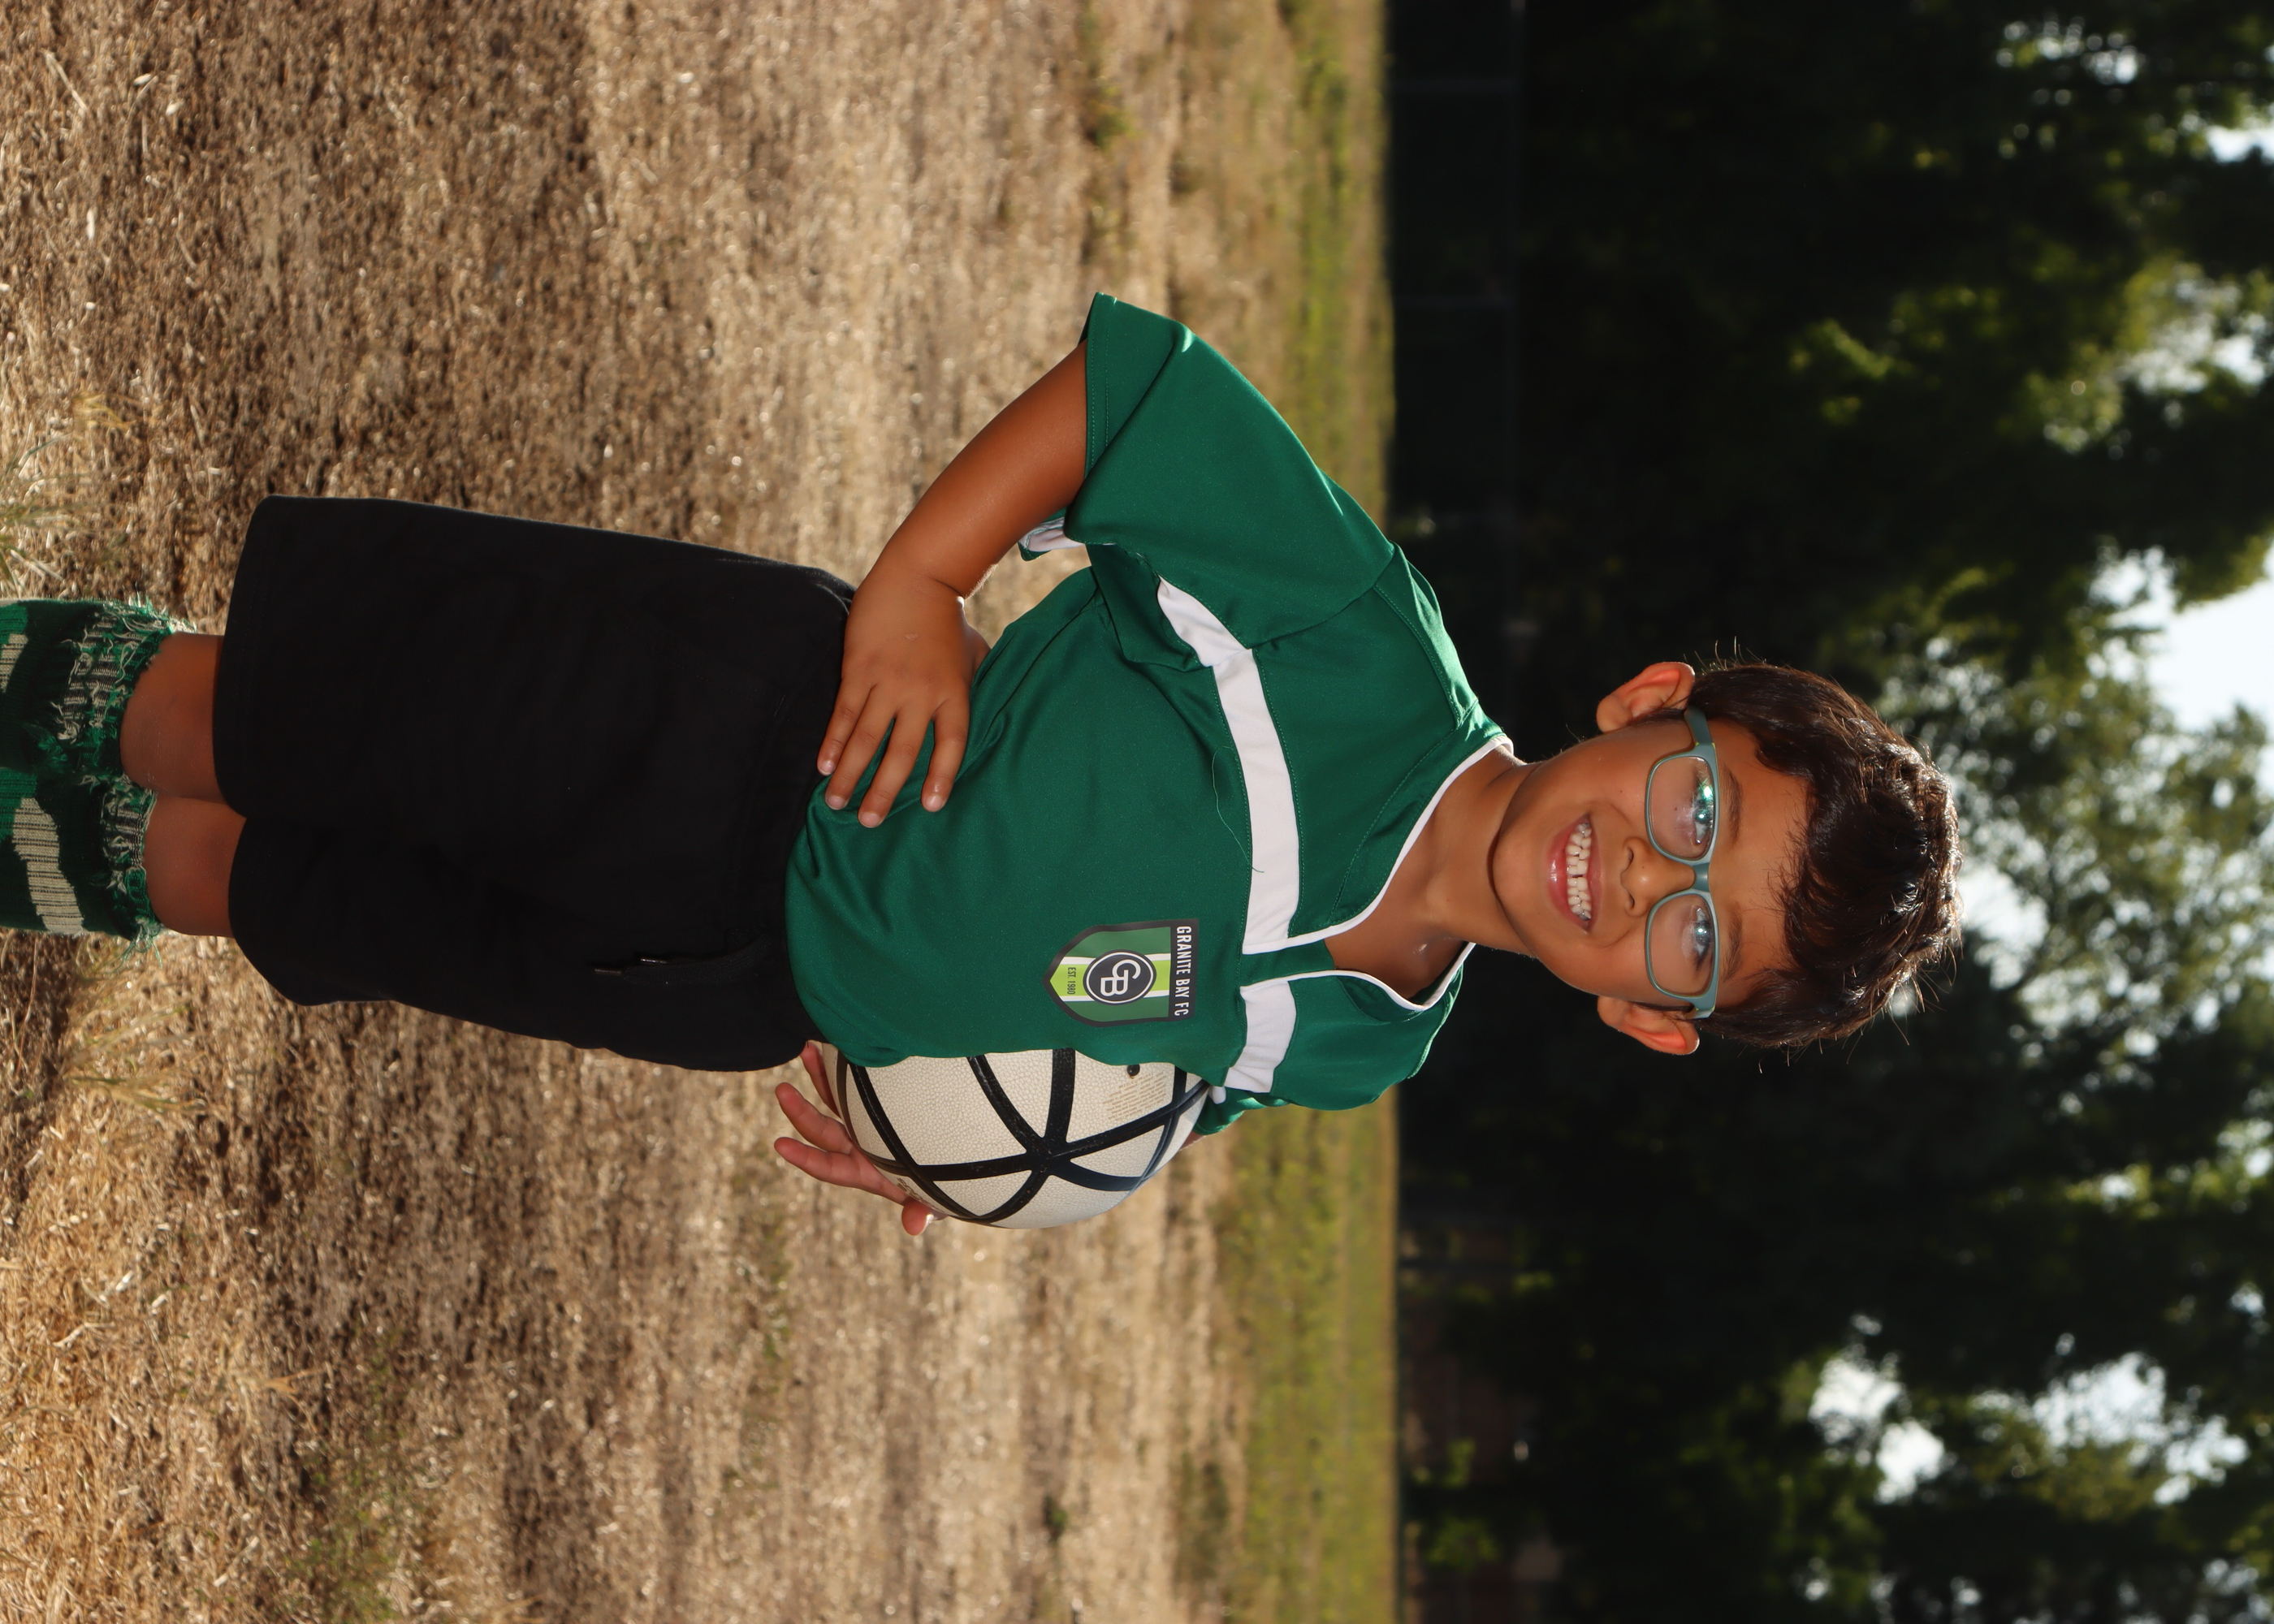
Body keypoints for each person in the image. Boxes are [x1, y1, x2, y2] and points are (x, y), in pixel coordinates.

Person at [0, 295, 1960, 1234]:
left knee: (317, 904)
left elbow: (1145, 1081)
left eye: (1693, 936)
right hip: (748, 733)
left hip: (736, 988)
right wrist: (924, 582)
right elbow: (1134, 396)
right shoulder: (1364, 646)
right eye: (1695, 807)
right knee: (291, 717)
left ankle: (68, 860)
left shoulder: (1365, 1047)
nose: (1645, 876)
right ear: (1648, 703)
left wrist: (974, 1147)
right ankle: (73, 691)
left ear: (1652, 1020)